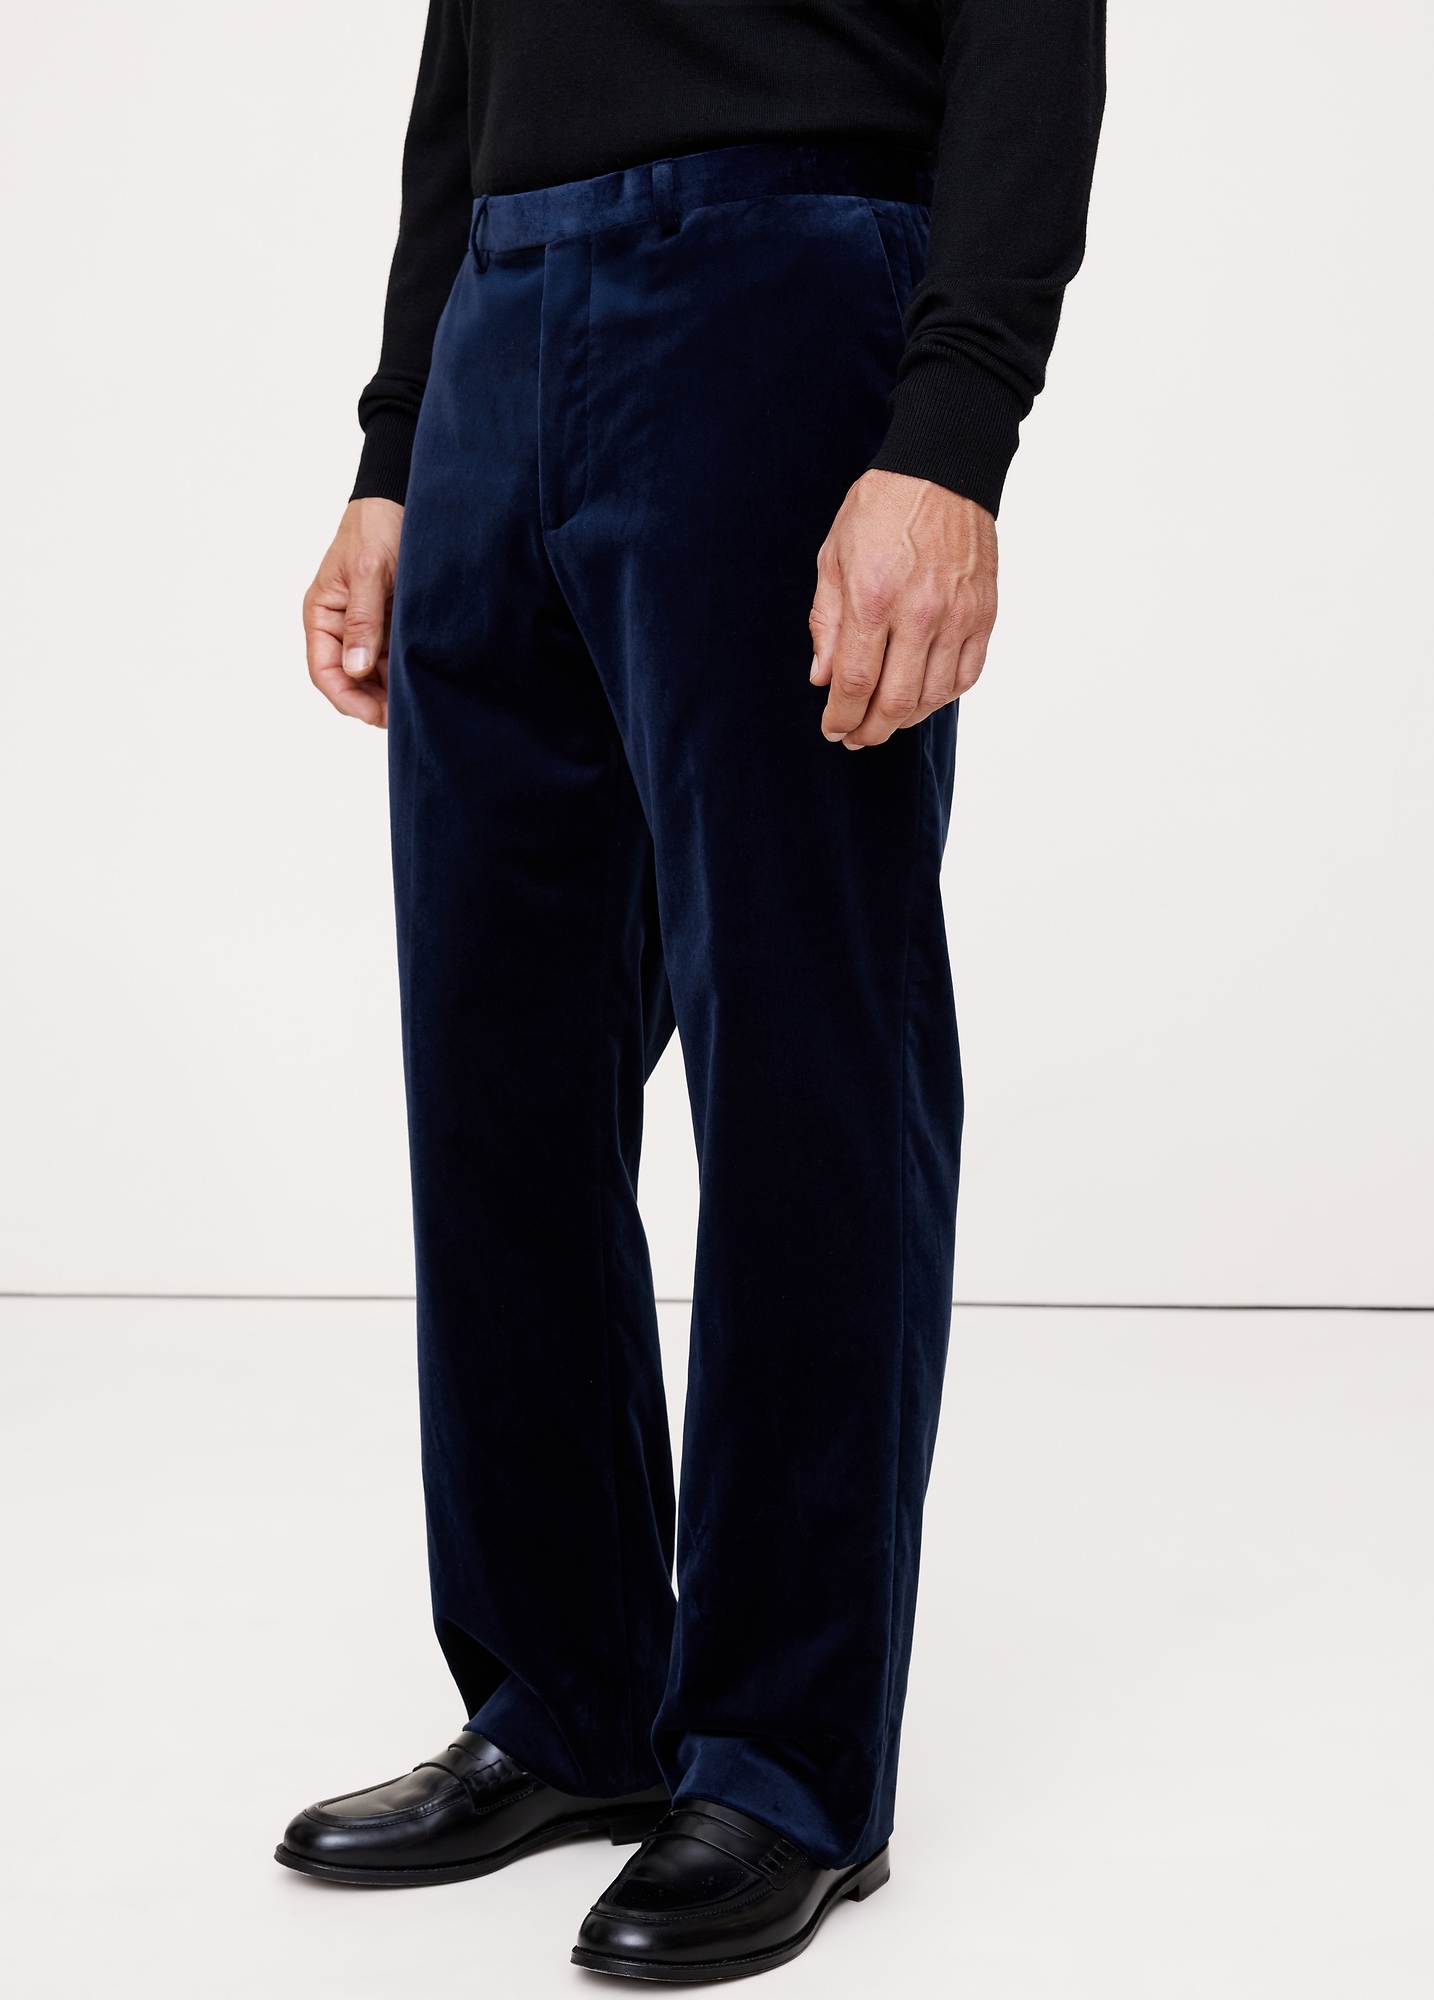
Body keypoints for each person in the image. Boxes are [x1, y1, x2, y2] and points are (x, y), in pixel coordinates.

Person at [277, 1, 1104, 1981]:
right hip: (500, 316)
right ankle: (563, 1698)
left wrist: (952, 428)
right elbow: (467, 55)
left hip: (782, 283)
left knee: (806, 1040)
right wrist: (397, 446)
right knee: (497, 1059)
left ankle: (786, 1762)